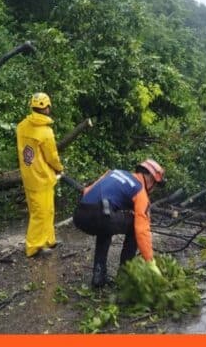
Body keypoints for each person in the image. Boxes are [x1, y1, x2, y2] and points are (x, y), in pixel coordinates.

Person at [73, 159, 166, 287]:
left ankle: (98, 276)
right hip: (100, 216)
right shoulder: (140, 192)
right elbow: (142, 231)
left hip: (79, 215)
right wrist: (150, 262)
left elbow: (87, 191)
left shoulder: (113, 172)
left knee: (106, 225)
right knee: (133, 225)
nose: (154, 189)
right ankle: (124, 277)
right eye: (155, 184)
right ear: (150, 178)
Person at [16, 92, 64, 257]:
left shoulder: (22, 126)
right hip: (42, 177)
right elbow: (52, 157)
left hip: (28, 175)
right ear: (47, 108)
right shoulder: (46, 132)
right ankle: (34, 246)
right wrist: (59, 168)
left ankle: (48, 240)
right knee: (40, 213)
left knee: (46, 210)